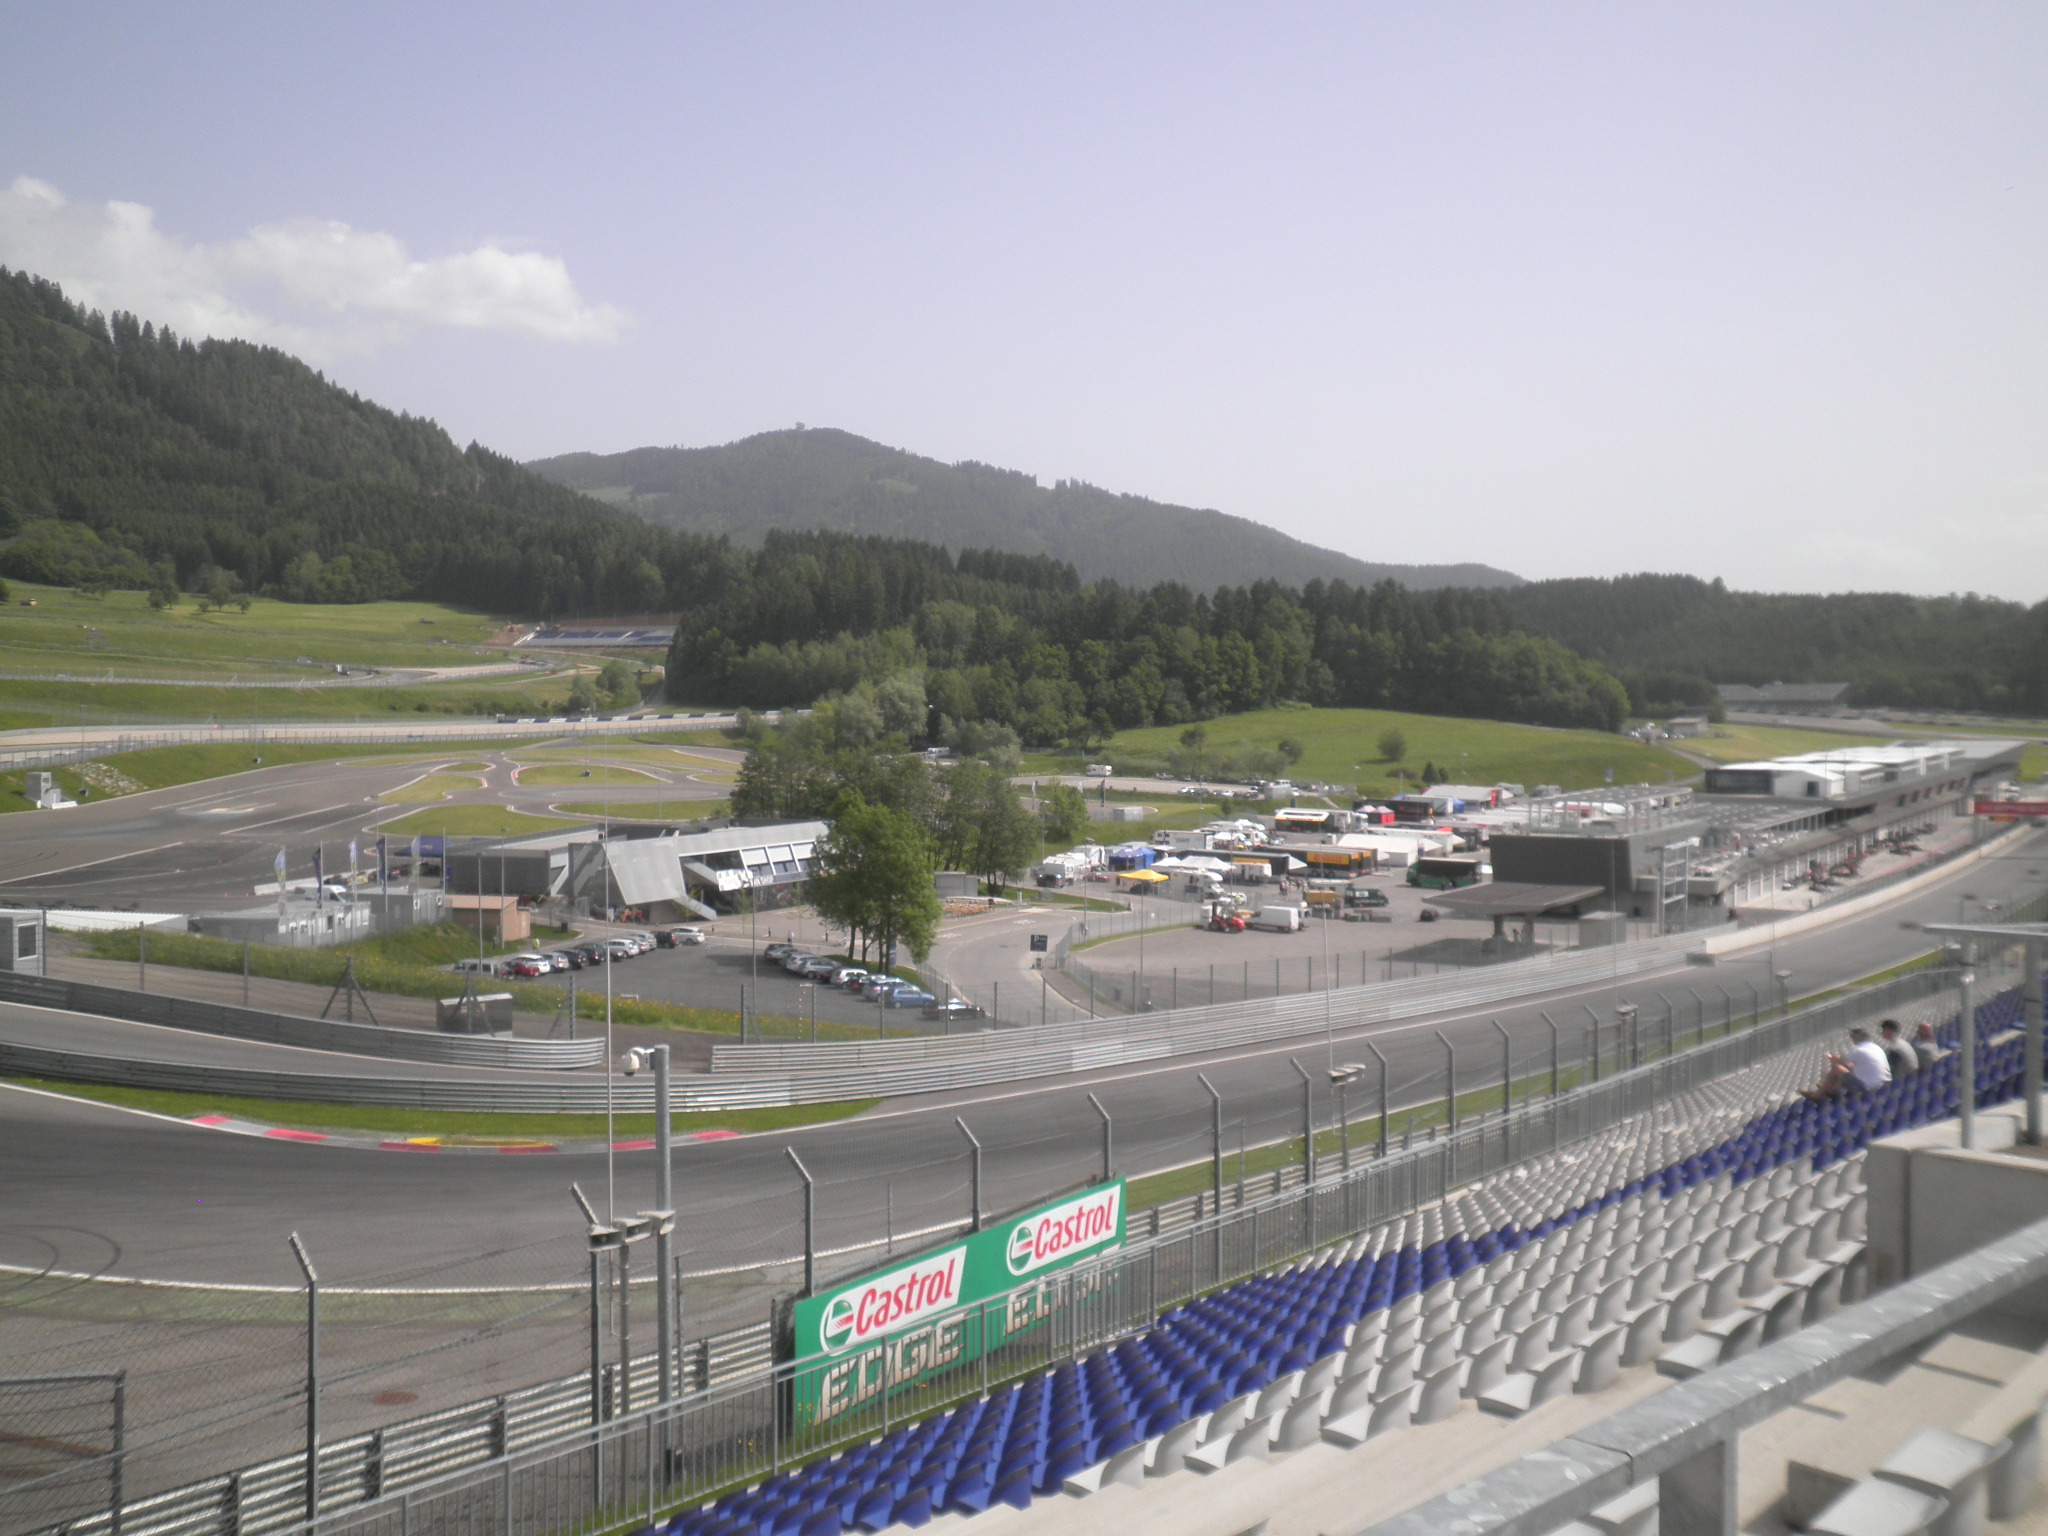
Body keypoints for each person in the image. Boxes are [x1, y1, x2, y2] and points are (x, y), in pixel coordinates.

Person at [1801, 1026, 1892, 1102]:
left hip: (1869, 1087)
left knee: (1837, 1068)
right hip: (1885, 1085)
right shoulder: (1876, 1047)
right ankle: (1827, 1088)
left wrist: (1831, 1058)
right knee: (1844, 1072)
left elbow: (1841, 1062)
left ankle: (1819, 1094)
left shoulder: (1858, 1049)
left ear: (1856, 1038)